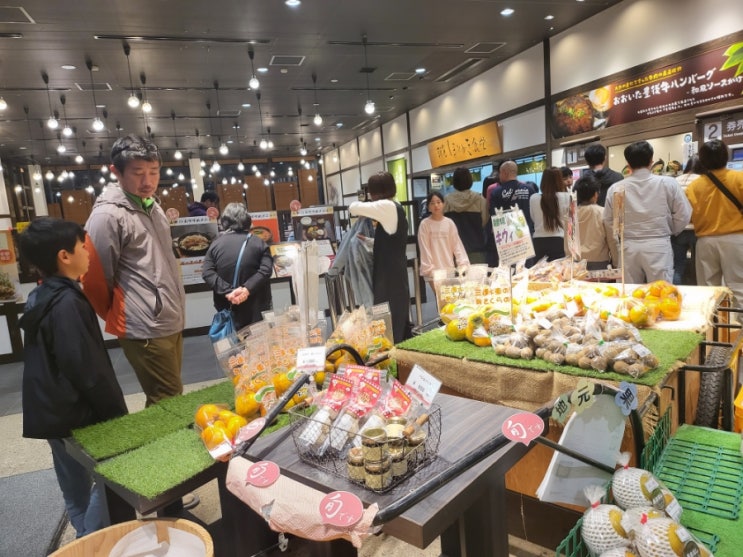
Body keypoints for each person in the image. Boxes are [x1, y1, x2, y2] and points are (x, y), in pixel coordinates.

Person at [18, 218, 128, 538]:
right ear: (64, 256)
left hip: (49, 409)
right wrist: (116, 414)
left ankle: (83, 536)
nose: (89, 253)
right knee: (111, 477)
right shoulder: (67, 302)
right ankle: (89, 540)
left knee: (73, 483)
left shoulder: (40, 295)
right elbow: (86, 369)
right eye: (83, 246)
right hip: (75, 411)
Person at [83, 135, 186, 407]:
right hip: (144, 324)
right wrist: (125, 313)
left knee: (167, 395)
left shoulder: (153, 206)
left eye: (154, 172)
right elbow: (93, 278)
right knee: (168, 398)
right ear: (116, 172)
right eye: (138, 173)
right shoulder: (107, 216)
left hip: (168, 317)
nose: (148, 181)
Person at [603, 140, 691, 284]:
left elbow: (608, 220)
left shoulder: (616, 188)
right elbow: (684, 214)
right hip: (658, 243)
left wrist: (619, 236)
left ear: (628, 164)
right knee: (660, 291)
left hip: (628, 245)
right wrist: (670, 230)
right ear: (651, 161)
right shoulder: (668, 183)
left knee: (629, 292)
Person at [349, 171, 412, 343]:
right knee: (393, 320)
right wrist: (370, 242)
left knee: (388, 324)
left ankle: (392, 355)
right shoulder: (395, 206)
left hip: (389, 279)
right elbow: (392, 241)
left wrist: (367, 207)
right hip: (394, 275)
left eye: (370, 190)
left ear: (376, 192)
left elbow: (353, 208)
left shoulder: (387, 206)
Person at [685, 139, 743, 317]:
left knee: (708, 289)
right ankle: (739, 327)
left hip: (706, 241)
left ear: (702, 160)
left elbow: (689, 216)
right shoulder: (739, 178)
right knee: (739, 286)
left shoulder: (694, 186)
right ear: (726, 156)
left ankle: (714, 326)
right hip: (736, 239)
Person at [202, 203, 273, 331]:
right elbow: (266, 270)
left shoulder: (216, 245)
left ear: (224, 222)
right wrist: (246, 289)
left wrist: (229, 292)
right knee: (258, 341)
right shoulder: (259, 243)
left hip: (227, 307)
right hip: (256, 308)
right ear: (247, 220)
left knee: (231, 342)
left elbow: (207, 272)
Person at [488, 160, 537, 266]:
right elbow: (535, 214)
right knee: (527, 269)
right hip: (527, 239)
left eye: (500, 173)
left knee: (508, 271)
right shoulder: (529, 190)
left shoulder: (496, 193)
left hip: (507, 241)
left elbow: (494, 216)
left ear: (504, 173)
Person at [327, 213, 376, 309]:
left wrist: (333, 271)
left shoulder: (357, 230)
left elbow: (343, 252)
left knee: (370, 304)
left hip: (364, 273)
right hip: (370, 272)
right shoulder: (362, 228)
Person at [418, 191, 470, 278]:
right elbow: (424, 249)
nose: (436, 205)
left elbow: (457, 245)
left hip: (449, 270)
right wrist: (430, 271)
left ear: (443, 204)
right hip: (433, 272)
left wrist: (463, 264)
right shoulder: (424, 225)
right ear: (428, 207)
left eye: (438, 202)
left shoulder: (449, 223)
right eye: (432, 203)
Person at [443, 167, 488, 264]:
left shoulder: (446, 201)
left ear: (454, 182)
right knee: (478, 274)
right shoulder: (480, 199)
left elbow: (443, 224)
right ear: (470, 180)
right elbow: (484, 221)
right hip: (476, 249)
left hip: (454, 252)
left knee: (455, 274)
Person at [574, 174, 617, 270]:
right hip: (599, 261)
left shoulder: (571, 214)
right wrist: (616, 262)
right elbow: (612, 239)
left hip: (576, 263)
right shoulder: (603, 212)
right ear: (595, 194)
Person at [529, 167, 572, 263]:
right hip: (559, 241)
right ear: (559, 180)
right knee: (559, 271)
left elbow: (533, 218)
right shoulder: (567, 197)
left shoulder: (534, 198)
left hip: (538, 241)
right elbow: (570, 222)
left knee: (540, 271)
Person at [671, 155, 701, 285]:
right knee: (700, 268)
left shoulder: (675, 181)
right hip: (698, 230)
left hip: (679, 230)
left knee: (678, 266)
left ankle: (675, 293)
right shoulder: (703, 181)